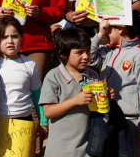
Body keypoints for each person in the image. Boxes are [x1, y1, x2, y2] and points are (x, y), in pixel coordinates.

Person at [89, 11, 140, 157]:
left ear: (121, 28)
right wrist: (99, 35)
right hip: (106, 117)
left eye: (109, 29)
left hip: (130, 121)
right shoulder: (108, 50)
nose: (106, 33)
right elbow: (90, 58)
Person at [39, 27, 100, 156]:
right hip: (60, 151)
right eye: (79, 52)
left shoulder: (93, 75)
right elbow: (48, 111)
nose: (86, 56)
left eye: (88, 51)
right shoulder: (54, 76)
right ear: (63, 55)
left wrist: (106, 97)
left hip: (87, 150)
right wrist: (75, 101)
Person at [0, 17, 47, 140]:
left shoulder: (30, 64)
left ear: (21, 38)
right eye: (4, 37)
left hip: (24, 122)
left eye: (14, 36)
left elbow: (37, 96)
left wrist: (43, 122)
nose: (10, 41)